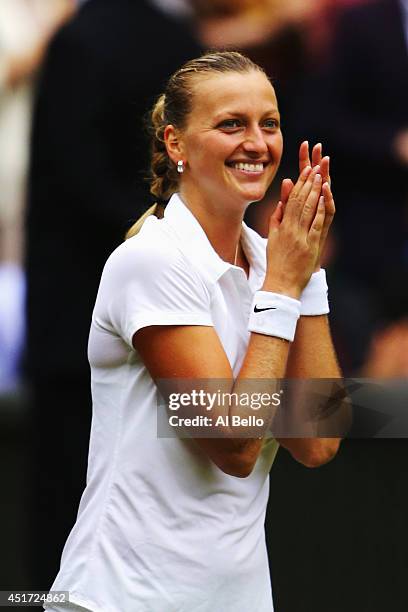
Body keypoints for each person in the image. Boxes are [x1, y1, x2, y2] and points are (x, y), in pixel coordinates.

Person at [44, 51, 341, 612]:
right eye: (232, 124)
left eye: (268, 124)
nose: (256, 142)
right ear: (175, 144)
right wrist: (282, 287)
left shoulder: (274, 265)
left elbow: (317, 441)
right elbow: (233, 443)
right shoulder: (152, 260)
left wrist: (307, 275)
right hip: (120, 599)